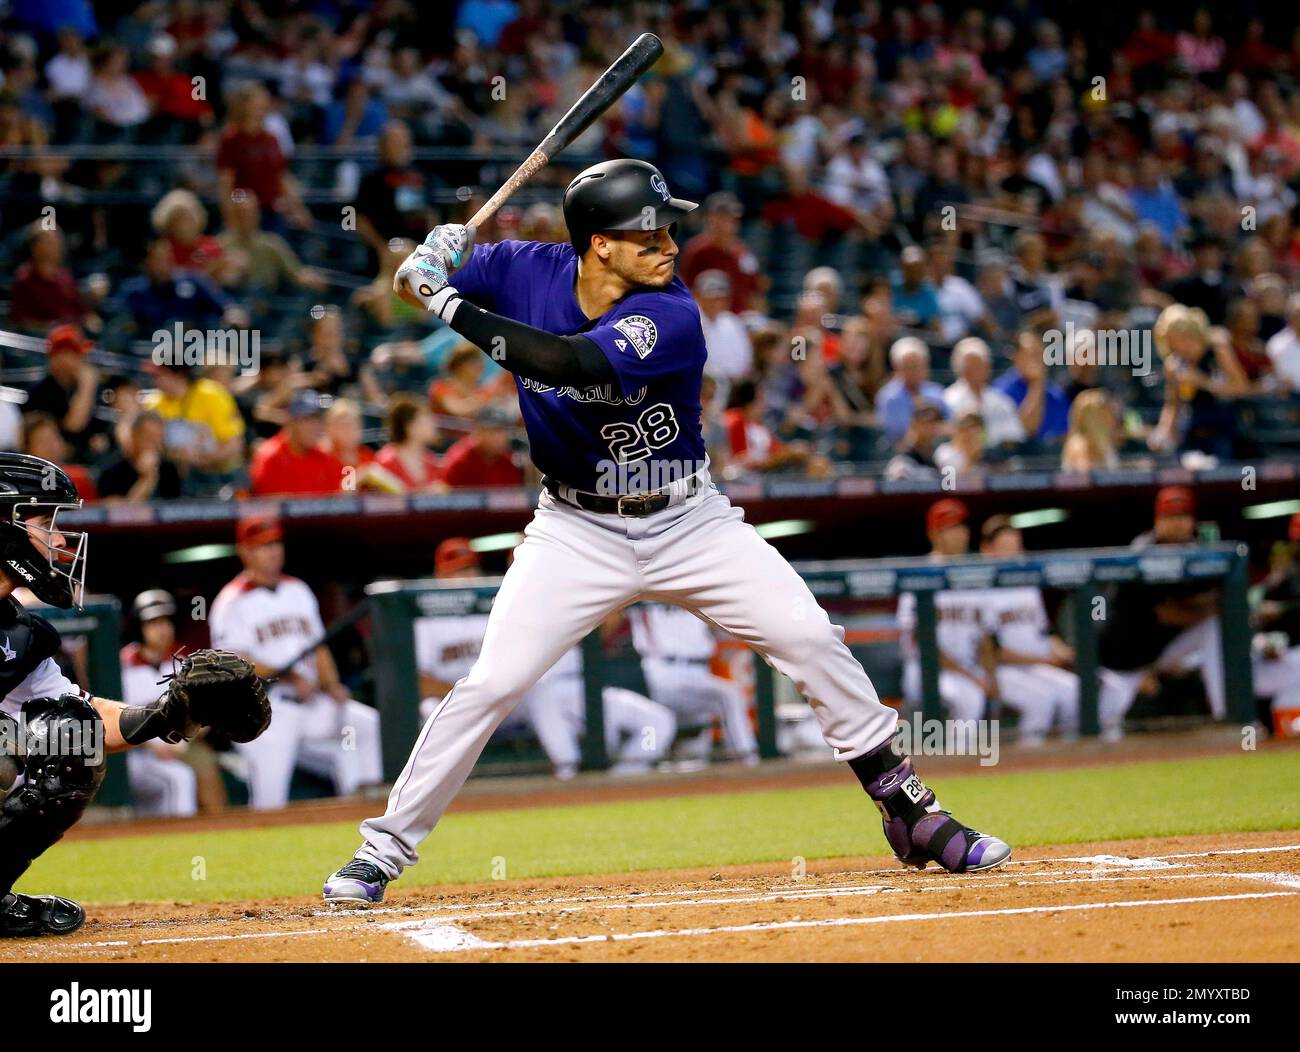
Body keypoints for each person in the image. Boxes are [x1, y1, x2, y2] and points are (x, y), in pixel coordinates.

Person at [324, 158, 1009, 905]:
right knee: (492, 683)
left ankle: (906, 808)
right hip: (575, 529)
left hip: (689, 519)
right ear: (598, 244)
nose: (668, 245)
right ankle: (382, 850)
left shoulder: (674, 313)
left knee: (809, 637)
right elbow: (406, 285)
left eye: (668, 230)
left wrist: (448, 303)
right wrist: (430, 255)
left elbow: (572, 364)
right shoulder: (521, 267)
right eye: (646, 233)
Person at [0, 453, 270, 936]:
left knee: (69, 737)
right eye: (45, 523)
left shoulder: (19, 633)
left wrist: (166, 713)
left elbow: (82, 716)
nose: (60, 540)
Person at [414, 539, 675, 780]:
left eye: (468, 569)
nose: (464, 577)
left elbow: (604, 625)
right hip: (514, 697)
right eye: (456, 571)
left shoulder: (553, 596)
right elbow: (415, 679)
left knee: (655, 725)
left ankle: (624, 777)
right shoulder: (498, 605)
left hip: (573, 696)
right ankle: (566, 771)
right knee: (433, 710)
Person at [209, 515, 382, 809]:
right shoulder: (231, 601)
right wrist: (288, 677)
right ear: (245, 552)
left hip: (311, 705)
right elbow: (232, 664)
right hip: (265, 711)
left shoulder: (297, 590)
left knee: (365, 724)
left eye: (276, 543)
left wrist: (331, 684)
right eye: (263, 546)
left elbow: (318, 648)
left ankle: (366, 815)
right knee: (270, 800)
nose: (274, 551)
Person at [1096, 486, 1225, 741]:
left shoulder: (1199, 550)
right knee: (1103, 732)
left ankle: (1225, 714)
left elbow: (1209, 595)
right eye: (1170, 518)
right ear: (1158, 521)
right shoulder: (1143, 554)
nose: (1177, 524)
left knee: (1216, 627)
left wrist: (1212, 605)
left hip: (1159, 653)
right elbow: (1168, 614)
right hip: (1122, 665)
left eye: (1182, 517)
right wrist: (1209, 608)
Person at [895, 499, 996, 752]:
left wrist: (990, 674)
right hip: (925, 670)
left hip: (966, 669)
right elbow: (923, 644)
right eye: (950, 528)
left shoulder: (974, 576)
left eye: (961, 527)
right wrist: (974, 676)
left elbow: (984, 637)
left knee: (977, 693)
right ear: (934, 534)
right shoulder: (919, 575)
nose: (959, 534)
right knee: (969, 696)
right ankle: (951, 763)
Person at [978, 517, 1080, 745]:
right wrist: (1044, 659)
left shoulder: (1027, 583)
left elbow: (1043, 632)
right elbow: (992, 651)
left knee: (1074, 691)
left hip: (1036, 666)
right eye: (1005, 548)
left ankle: (1071, 757)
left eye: (1016, 547)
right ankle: (1028, 761)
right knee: (1041, 701)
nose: (1013, 554)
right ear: (987, 550)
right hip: (1002, 670)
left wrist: (1060, 650)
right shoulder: (980, 589)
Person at [627, 603, 759, 765]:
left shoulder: (695, 585)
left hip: (699, 672)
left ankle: (688, 773)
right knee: (728, 695)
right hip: (662, 669)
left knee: (698, 746)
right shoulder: (647, 587)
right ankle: (749, 762)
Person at [119, 590, 197, 816]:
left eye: (166, 621)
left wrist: (184, 741)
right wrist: (154, 745)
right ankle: (184, 840)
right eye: (153, 623)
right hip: (132, 754)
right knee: (178, 778)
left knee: (177, 777)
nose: (162, 629)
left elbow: (200, 713)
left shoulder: (185, 663)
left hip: (174, 751)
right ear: (138, 627)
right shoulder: (120, 665)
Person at [248, 389, 345, 496]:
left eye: (319, 420)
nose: (316, 427)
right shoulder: (270, 456)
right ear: (292, 422)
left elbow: (338, 502)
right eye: (308, 420)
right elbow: (265, 507)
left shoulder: (325, 457)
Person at [96, 409, 182, 502]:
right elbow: (120, 513)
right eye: (149, 438)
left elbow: (176, 511)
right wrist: (147, 479)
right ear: (133, 436)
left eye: (159, 439)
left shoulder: (168, 469)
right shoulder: (111, 469)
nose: (155, 445)